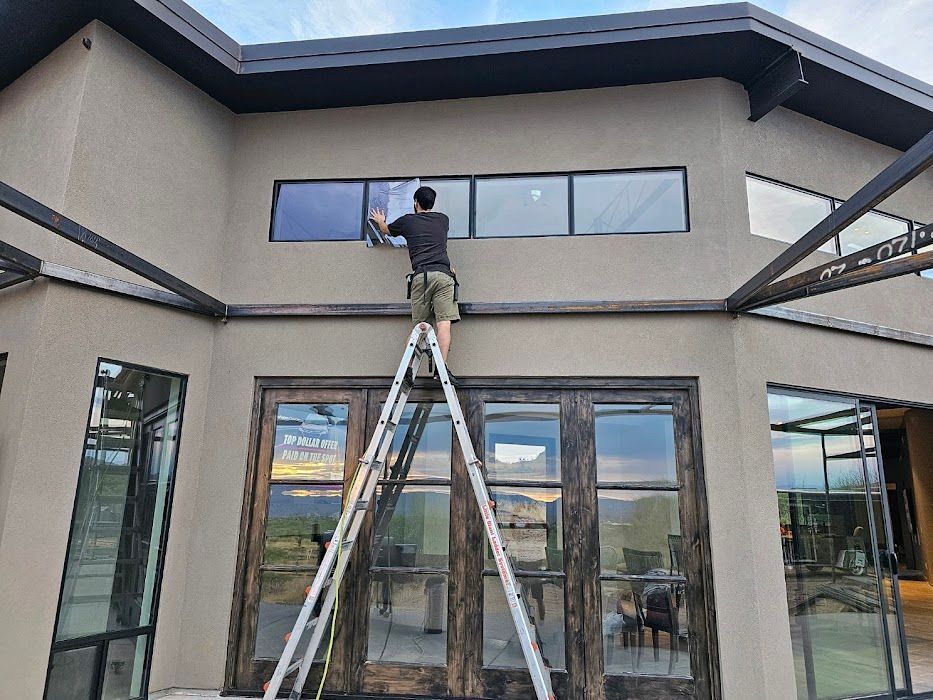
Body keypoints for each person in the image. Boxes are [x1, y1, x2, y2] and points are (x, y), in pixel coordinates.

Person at [370, 185, 460, 382]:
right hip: (444, 276)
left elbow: (386, 231)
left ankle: (409, 369)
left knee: (420, 326)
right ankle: (441, 368)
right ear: (432, 203)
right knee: (444, 324)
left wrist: (380, 221)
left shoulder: (408, 221)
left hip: (422, 276)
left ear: (415, 203)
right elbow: (437, 243)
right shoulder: (443, 220)